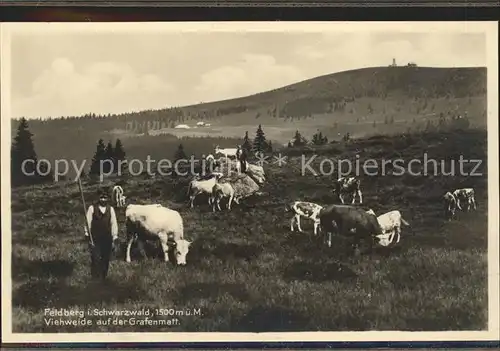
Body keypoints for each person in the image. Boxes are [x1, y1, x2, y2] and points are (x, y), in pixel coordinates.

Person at [84, 188, 119, 281]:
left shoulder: (110, 209)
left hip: (107, 238)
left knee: (105, 258)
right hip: (95, 238)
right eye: (101, 198)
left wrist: (114, 236)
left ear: (107, 198)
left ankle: (103, 277)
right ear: (98, 198)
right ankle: (96, 278)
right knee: (95, 258)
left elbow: (113, 223)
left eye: (105, 198)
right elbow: (88, 222)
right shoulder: (92, 208)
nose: (103, 200)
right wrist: (87, 233)